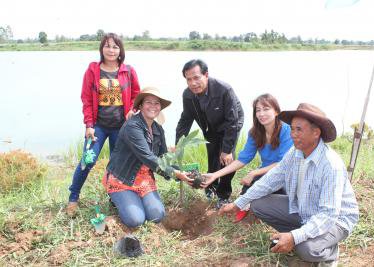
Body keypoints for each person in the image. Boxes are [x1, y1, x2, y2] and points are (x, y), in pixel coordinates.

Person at [219, 103, 359, 265]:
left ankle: (329, 252)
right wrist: (239, 203)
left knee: (306, 249)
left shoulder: (330, 165)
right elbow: (270, 180)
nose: (293, 134)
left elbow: (328, 214)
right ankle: (301, 236)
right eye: (292, 129)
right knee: (258, 205)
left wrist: (294, 237)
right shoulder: (295, 153)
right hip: (305, 209)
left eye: (299, 129)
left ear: (316, 133)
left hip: (336, 220)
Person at [67, 33, 141, 216]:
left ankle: (114, 198)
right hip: (98, 126)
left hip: (121, 128)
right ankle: (73, 198)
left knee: (116, 165)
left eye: (115, 47)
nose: (111, 50)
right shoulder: (93, 70)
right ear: (102, 48)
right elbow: (86, 99)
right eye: (107, 46)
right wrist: (89, 125)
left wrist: (133, 108)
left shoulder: (128, 71)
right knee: (87, 160)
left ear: (120, 51)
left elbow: (137, 95)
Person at [102, 87, 192, 228]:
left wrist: (180, 172)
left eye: (157, 103)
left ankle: (134, 200)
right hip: (123, 178)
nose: (153, 106)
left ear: (160, 107)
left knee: (157, 215)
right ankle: (117, 199)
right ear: (141, 105)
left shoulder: (157, 129)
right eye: (148, 102)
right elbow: (148, 157)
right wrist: (175, 173)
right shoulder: (132, 126)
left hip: (144, 179)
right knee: (136, 220)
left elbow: (162, 157)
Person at [202, 94, 293, 222]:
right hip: (265, 173)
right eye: (258, 110)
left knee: (274, 191)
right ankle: (250, 205)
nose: (261, 114)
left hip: (286, 173)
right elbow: (242, 159)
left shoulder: (286, 130)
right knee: (248, 189)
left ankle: (270, 203)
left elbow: (283, 163)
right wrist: (215, 175)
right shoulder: (255, 132)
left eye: (266, 109)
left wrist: (254, 172)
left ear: (276, 111)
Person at [176, 59, 244, 209]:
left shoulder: (224, 90)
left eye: (196, 77)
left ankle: (223, 194)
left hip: (230, 124)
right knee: (212, 156)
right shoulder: (188, 95)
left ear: (206, 75)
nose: (193, 83)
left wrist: (226, 150)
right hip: (210, 127)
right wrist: (179, 144)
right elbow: (186, 119)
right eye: (189, 79)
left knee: (226, 159)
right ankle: (211, 188)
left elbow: (232, 121)